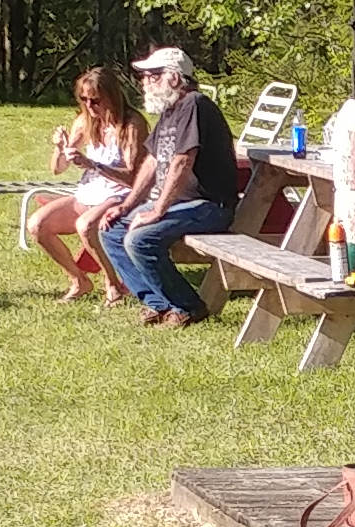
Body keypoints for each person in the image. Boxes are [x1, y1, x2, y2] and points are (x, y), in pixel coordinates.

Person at [103, 43, 240, 325]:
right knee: (111, 230)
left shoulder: (194, 105)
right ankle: (158, 303)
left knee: (140, 240)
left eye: (152, 75)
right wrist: (127, 205)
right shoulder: (170, 110)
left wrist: (157, 211)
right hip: (181, 203)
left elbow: (181, 161)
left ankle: (188, 306)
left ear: (174, 77)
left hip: (209, 205)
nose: (144, 82)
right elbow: (153, 161)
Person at [30, 70, 149, 305]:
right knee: (37, 225)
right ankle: (79, 280)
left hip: (120, 195)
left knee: (85, 226)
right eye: (83, 100)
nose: (89, 106)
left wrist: (93, 164)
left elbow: (134, 178)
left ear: (112, 96)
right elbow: (58, 168)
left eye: (95, 100)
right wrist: (60, 147)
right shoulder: (86, 120)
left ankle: (114, 285)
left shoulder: (131, 125)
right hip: (89, 193)